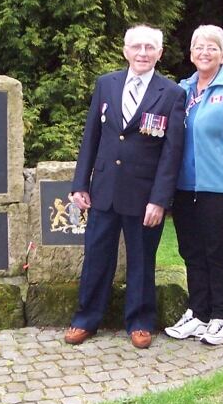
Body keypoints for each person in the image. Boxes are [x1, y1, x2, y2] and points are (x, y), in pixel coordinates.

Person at [64, 24, 186, 349]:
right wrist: (80, 183)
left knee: (142, 260)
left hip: (144, 196)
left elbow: (171, 154)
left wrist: (160, 200)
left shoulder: (172, 94)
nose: (143, 53)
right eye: (136, 47)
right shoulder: (106, 84)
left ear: (160, 53)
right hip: (103, 190)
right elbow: (91, 136)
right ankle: (85, 319)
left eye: (150, 47)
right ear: (125, 50)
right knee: (96, 258)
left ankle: (141, 321)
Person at [164, 25, 223, 346]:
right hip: (185, 188)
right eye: (198, 47)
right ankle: (198, 312)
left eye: (212, 47)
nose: (204, 52)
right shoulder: (182, 90)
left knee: (218, 253)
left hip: (222, 189)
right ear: (190, 53)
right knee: (191, 251)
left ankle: (222, 316)